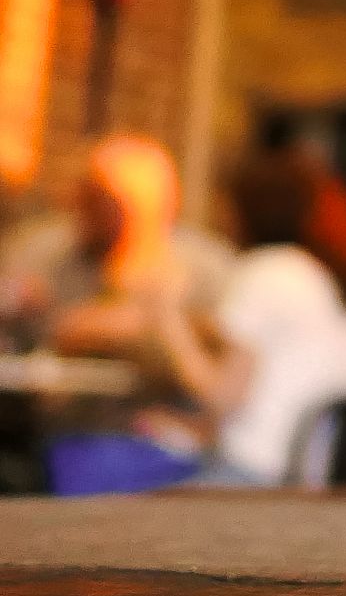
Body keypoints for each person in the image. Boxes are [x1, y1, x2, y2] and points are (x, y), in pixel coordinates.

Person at [0, 136, 243, 492]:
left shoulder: (200, 265)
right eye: (84, 196)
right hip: (54, 424)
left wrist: (120, 323)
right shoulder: (48, 251)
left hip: (147, 433)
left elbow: (224, 363)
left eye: (103, 200)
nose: (86, 209)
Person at [199, 148, 346, 486]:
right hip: (307, 478)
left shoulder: (270, 269)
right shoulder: (338, 285)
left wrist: (165, 322)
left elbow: (223, 398)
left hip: (248, 471)